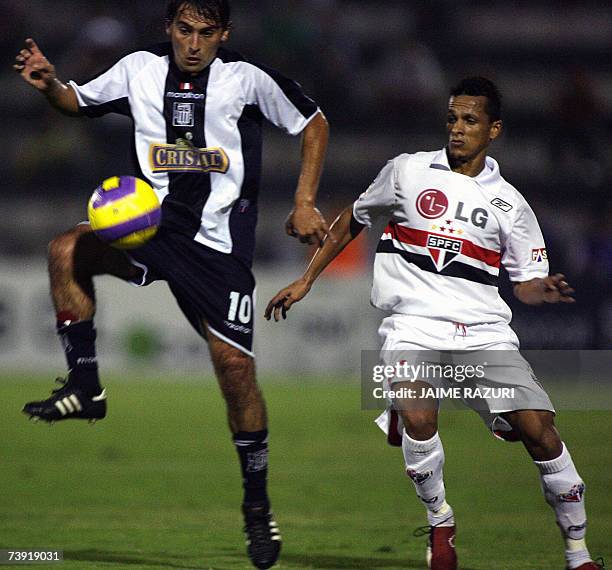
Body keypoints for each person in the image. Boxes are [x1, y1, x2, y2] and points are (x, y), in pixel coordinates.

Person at [14, 1, 330, 568]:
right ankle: (86, 388)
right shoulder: (138, 69)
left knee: (235, 374)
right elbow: (77, 100)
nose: (193, 43)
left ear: (223, 35)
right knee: (65, 249)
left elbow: (314, 123)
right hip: (152, 226)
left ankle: (256, 507)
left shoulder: (246, 79)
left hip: (218, 250)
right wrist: (48, 84)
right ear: (169, 30)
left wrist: (304, 200)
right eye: (184, 30)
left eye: (206, 33)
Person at [265, 77, 602, 570]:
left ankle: (578, 553)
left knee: (541, 434)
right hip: (413, 325)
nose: (458, 129)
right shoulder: (406, 171)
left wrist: (539, 288)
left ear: (494, 130)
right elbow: (352, 220)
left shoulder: (513, 205)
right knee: (422, 418)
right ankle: (441, 522)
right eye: (452, 119)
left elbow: (524, 281)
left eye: (470, 121)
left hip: (484, 330)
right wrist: (306, 279)